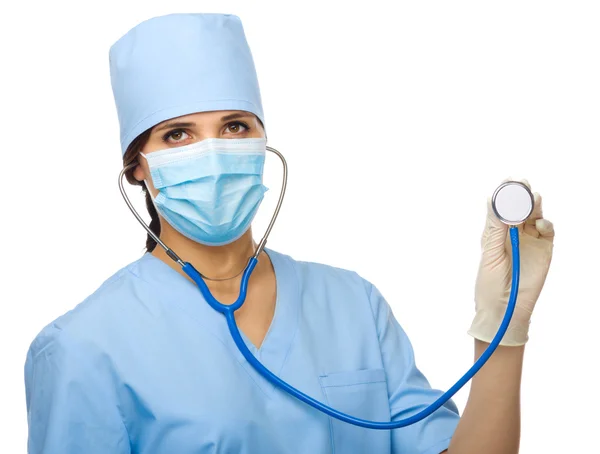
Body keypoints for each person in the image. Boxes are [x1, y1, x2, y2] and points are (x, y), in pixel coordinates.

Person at [23, 12, 555, 454]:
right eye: (178, 134)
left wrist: (503, 327)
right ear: (137, 166)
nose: (213, 151)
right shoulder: (83, 348)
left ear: (261, 141)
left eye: (234, 126)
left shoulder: (353, 305)